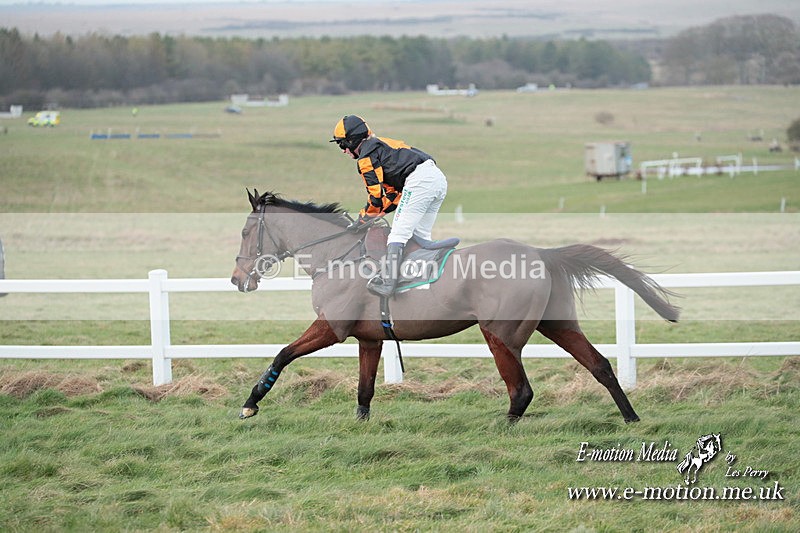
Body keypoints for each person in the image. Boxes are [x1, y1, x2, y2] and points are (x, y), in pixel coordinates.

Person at [330, 114, 448, 297]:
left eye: (342, 144)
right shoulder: (379, 145)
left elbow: (375, 198)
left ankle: (388, 284)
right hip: (437, 179)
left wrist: (362, 219)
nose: (343, 150)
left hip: (419, 181)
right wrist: (368, 218)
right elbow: (392, 197)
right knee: (419, 236)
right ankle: (419, 283)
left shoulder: (366, 157)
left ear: (353, 141)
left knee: (398, 235)